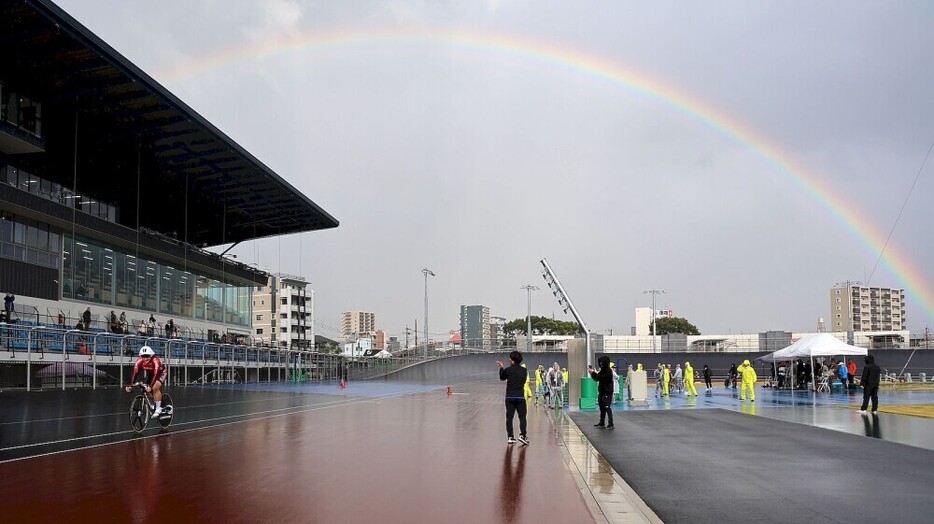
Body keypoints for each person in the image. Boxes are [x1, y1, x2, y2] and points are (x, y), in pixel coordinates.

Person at [125, 346, 168, 417]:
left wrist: (150, 387)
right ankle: (152, 402)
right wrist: (130, 386)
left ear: (151, 355)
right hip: (150, 374)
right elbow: (135, 373)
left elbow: (156, 374)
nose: (145, 358)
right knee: (144, 387)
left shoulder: (155, 360)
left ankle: (158, 409)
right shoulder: (139, 361)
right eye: (143, 356)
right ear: (141, 356)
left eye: (147, 356)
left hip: (161, 373)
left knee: (154, 387)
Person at [497, 351, 529, 445]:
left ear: (513, 360)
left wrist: (501, 368)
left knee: (509, 417)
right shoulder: (524, 370)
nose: (509, 359)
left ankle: (510, 437)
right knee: (522, 417)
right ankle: (523, 435)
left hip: (510, 396)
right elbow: (523, 381)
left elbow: (502, 377)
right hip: (520, 396)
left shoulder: (508, 370)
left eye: (510, 358)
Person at [589, 356, 614, 429]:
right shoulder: (603, 370)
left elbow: (600, 378)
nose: (600, 364)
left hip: (607, 393)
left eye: (601, 362)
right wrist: (592, 373)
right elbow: (597, 378)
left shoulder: (608, 371)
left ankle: (611, 424)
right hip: (602, 392)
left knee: (607, 407)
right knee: (602, 408)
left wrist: (593, 373)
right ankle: (602, 422)